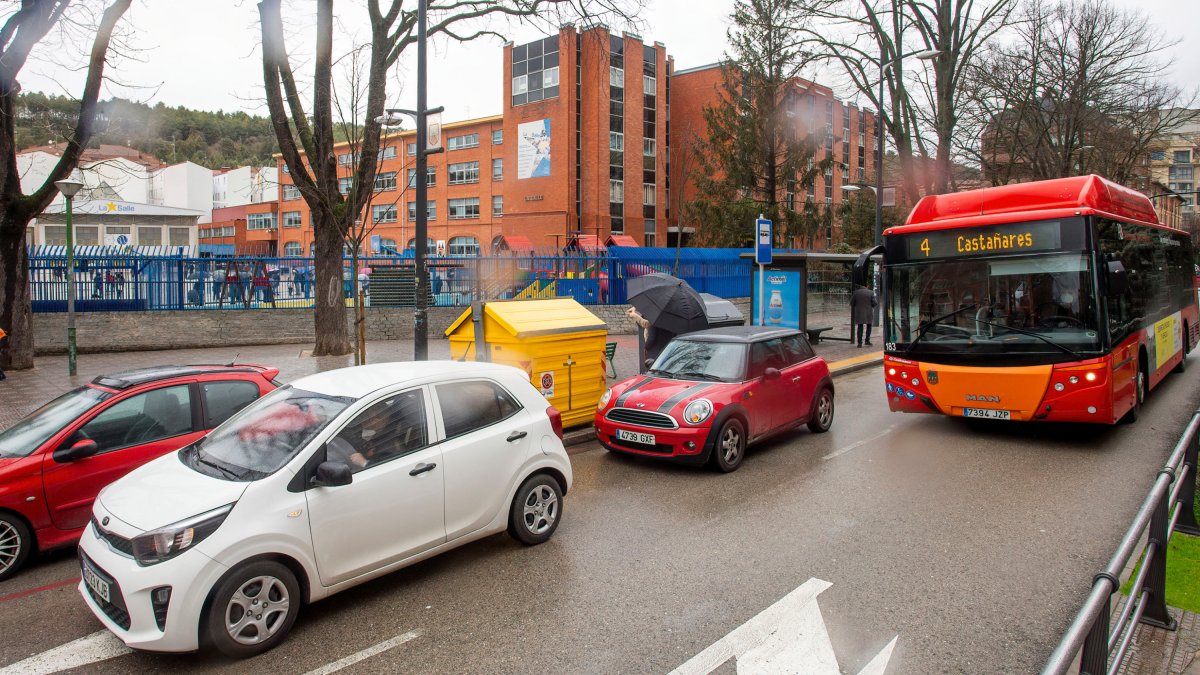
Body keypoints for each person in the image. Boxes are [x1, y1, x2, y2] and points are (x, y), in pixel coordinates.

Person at [850, 283, 878, 348]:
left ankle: (859, 343)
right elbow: (875, 303)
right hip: (869, 312)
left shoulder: (856, 292)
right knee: (869, 326)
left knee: (860, 327)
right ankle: (867, 340)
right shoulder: (871, 292)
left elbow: (852, 303)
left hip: (859, 312)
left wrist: (857, 306)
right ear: (867, 286)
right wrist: (871, 306)